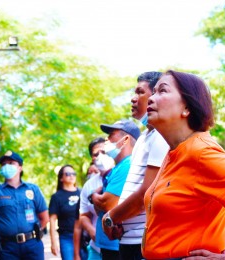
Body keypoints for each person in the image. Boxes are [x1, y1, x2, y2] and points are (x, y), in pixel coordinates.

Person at [142, 70, 225, 259]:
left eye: (162, 91)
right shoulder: (174, 152)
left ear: (187, 108)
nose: (151, 98)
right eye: (153, 92)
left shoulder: (201, 153)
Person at [101, 71, 169, 259]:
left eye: (140, 92)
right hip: (127, 239)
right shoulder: (143, 138)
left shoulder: (162, 136)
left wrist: (111, 217)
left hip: (144, 240)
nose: (133, 98)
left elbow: (146, 194)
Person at [89, 120, 139, 260]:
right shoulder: (117, 167)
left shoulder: (127, 165)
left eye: (111, 135)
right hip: (109, 245)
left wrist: (94, 196)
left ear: (125, 140)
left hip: (117, 246)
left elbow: (107, 204)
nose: (107, 139)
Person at [78, 137, 110, 260]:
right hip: (96, 249)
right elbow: (84, 215)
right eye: (95, 154)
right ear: (92, 158)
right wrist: (92, 232)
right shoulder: (89, 185)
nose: (100, 156)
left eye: (103, 152)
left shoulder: (124, 174)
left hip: (121, 247)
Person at [49, 164, 80, 260]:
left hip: (83, 237)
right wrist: (54, 243)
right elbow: (52, 220)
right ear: (61, 178)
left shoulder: (82, 192)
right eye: (67, 174)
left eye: (73, 173)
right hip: (67, 237)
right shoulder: (56, 197)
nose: (71, 176)